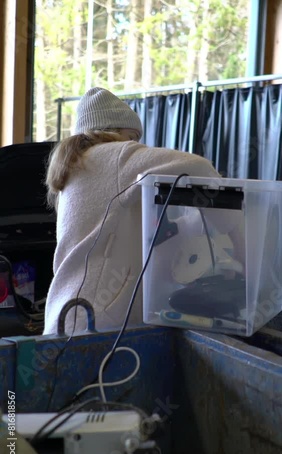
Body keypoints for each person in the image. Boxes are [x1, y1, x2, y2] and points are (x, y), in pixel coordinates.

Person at [43, 87, 223, 336]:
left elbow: (127, 232)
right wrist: (224, 203)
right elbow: (198, 167)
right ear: (114, 132)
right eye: (133, 136)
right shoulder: (113, 155)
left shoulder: (77, 166)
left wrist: (189, 222)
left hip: (68, 314)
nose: (136, 145)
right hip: (98, 323)